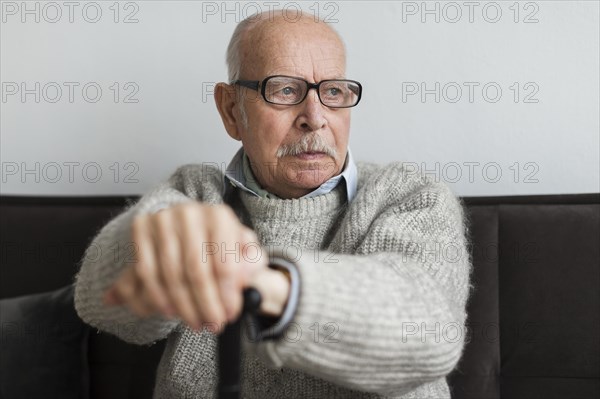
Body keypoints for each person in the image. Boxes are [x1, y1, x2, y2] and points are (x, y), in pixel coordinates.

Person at [74, 10, 472, 399]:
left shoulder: (409, 197)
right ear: (232, 110)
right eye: (284, 90)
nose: (314, 118)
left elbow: (428, 332)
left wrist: (265, 283)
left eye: (333, 91)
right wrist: (152, 247)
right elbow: (101, 303)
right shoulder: (195, 194)